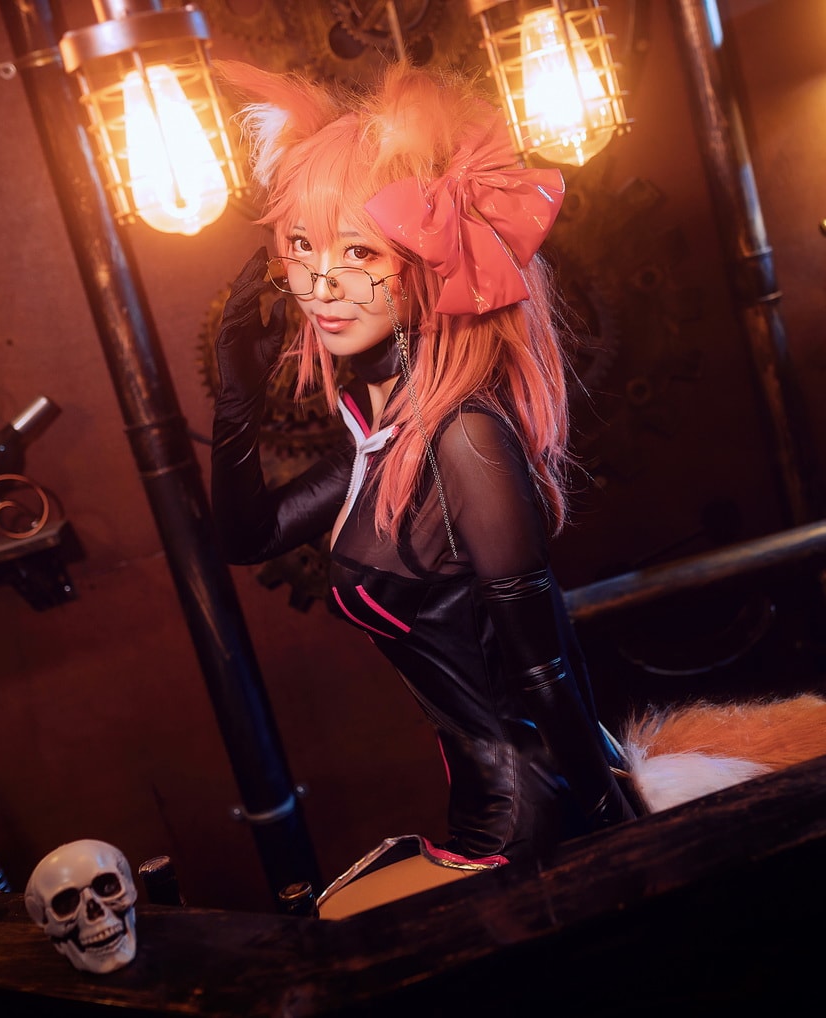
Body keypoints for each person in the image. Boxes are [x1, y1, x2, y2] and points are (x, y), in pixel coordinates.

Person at [207, 60, 640, 909]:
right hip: (478, 810)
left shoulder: (465, 437)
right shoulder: (385, 439)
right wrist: (236, 400)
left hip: (531, 816)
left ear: (428, 265)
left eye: (359, 252)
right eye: (302, 247)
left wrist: (626, 844)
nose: (322, 284)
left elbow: (548, 669)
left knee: (330, 931)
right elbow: (246, 538)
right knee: (326, 923)